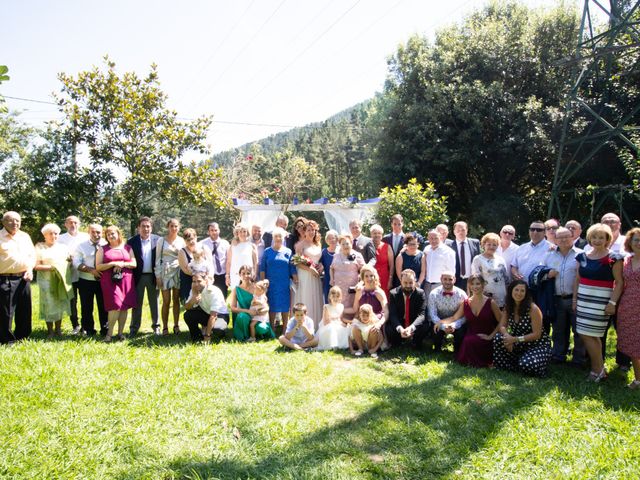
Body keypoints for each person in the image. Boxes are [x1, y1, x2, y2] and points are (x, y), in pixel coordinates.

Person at [574, 223, 623, 382]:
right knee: (585, 333)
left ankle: (597, 370)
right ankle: (600, 369)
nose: (597, 240)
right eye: (594, 237)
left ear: (607, 239)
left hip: (600, 302)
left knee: (591, 335)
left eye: (601, 237)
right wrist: (575, 299)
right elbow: (577, 279)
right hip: (583, 300)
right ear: (589, 237)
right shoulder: (582, 256)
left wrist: (612, 303)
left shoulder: (614, 258)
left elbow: (620, 282)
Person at [543, 227, 585, 365]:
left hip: (576, 298)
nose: (563, 239)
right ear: (555, 239)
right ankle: (558, 355)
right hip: (557, 299)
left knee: (578, 331)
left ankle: (579, 359)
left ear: (573, 237)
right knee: (558, 330)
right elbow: (539, 271)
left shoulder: (581, 254)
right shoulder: (549, 255)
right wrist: (547, 274)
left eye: (566, 236)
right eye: (560, 237)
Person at [439, 274, 501, 368]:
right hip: (471, 335)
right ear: (469, 286)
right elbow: (454, 318)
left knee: (471, 342)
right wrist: (440, 322)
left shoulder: (491, 302)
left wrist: (491, 336)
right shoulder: (466, 303)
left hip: (488, 336)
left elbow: (502, 321)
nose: (475, 287)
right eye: (472, 284)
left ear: (483, 285)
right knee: (468, 341)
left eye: (478, 284)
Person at [493, 280, 552, 377]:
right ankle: (511, 366)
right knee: (499, 338)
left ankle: (528, 364)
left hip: (536, 345)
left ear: (526, 293)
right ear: (511, 291)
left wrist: (514, 339)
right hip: (518, 344)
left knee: (527, 365)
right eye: (516, 290)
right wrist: (507, 335)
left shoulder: (533, 309)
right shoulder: (509, 306)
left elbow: (537, 335)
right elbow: (502, 326)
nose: (519, 293)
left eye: (522, 291)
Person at [96, 225, 137, 342]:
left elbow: (134, 263)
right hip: (110, 281)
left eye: (113, 233)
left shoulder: (127, 248)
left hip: (126, 280)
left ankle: (120, 333)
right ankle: (109, 335)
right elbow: (98, 266)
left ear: (118, 234)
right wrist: (113, 263)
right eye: (108, 234)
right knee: (115, 305)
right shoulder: (102, 249)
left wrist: (122, 264)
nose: (111, 236)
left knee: (124, 307)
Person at [0, 211, 36, 345]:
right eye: (11, 220)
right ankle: (6, 339)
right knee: (6, 311)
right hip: (5, 278)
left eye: (17, 221)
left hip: (23, 278)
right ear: (3, 222)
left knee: (25, 309)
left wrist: (30, 269)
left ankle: (23, 336)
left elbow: (32, 255)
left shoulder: (25, 236)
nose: (15, 223)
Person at [34, 224, 73, 338]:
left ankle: (58, 330)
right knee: (49, 304)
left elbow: (69, 263)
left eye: (55, 233)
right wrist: (53, 268)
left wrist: (69, 263)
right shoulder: (40, 247)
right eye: (50, 233)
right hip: (46, 281)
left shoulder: (63, 247)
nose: (53, 236)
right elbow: (36, 266)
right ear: (44, 235)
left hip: (61, 280)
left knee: (60, 303)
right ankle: (50, 331)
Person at [127, 216, 160, 336]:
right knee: (136, 303)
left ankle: (156, 327)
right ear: (138, 228)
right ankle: (134, 328)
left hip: (153, 276)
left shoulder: (158, 240)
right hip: (138, 277)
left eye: (148, 226)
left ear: (151, 228)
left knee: (154, 303)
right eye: (143, 226)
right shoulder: (131, 241)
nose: (146, 229)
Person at [260, 227, 297, 333]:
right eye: (276, 236)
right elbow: (263, 268)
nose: (278, 238)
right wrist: (263, 282)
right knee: (272, 306)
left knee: (285, 306)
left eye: (280, 236)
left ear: (283, 238)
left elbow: (292, 267)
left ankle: (285, 329)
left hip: (284, 283)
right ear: (273, 238)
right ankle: (272, 328)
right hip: (271, 283)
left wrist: (296, 278)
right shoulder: (267, 251)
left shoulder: (288, 251)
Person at [73, 223, 107, 337]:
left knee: (104, 306)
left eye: (98, 232)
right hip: (86, 281)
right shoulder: (81, 246)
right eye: (93, 232)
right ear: (88, 232)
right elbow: (76, 263)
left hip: (103, 281)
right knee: (86, 307)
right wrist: (91, 270)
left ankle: (105, 329)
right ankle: (88, 329)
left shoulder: (106, 245)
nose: (96, 234)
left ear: (102, 233)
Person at [616, 228, 640, 389]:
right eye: (636, 240)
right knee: (632, 343)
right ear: (630, 242)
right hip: (627, 307)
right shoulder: (626, 261)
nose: (639, 243)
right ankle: (638, 379)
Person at [58, 215, 89, 334]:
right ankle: (75, 325)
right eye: (70, 223)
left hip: (84, 274)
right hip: (69, 274)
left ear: (79, 224)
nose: (73, 225)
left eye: (75, 223)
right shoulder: (60, 238)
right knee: (72, 301)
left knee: (85, 301)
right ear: (65, 224)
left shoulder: (85, 237)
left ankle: (85, 326)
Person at [385, 269, 429, 349]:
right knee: (389, 327)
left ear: (415, 281)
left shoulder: (420, 293)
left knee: (425, 326)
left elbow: (422, 315)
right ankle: (398, 343)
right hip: (400, 322)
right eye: (405, 283)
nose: (408, 285)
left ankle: (416, 343)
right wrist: (400, 329)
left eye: (411, 282)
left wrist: (411, 328)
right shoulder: (393, 293)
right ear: (400, 281)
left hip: (413, 322)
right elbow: (393, 315)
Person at [155, 218, 185, 335]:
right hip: (165, 272)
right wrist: (158, 276)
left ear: (179, 227)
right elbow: (157, 259)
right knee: (166, 301)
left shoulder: (182, 241)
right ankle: (165, 327)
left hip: (177, 271)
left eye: (176, 226)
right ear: (168, 227)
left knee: (176, 300)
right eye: (171, 226)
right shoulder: (161, 241)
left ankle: (176, 326)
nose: (174, 228)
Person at [229, 265, 274, 341]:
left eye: (248, 273)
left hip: (257, 316)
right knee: (242, 316)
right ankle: (246, 336)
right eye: (243, 273)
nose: (246, 276)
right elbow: (232, 308)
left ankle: (256, 333)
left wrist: (262, 311)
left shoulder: (257, 287)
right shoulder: (236, 290)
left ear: (252, 275)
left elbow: (265, 304)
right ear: (239, 275)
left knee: (261, 329)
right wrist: (248, 311)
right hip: (245, 315)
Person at [293, 220, 324, 327]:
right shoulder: (300, 245)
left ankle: (316, 325)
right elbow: (296, 262)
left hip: (316, 276)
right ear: (304, 232)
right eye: (309, 230)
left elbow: (319, 260)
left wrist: (321, 266)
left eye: (313, 230)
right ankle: (304, 327)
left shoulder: (318, 244)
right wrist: (310, 269)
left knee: (316, 297)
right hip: (305, 275)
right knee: (307, 297)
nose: (311, 232)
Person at [430, 271, 468, 353]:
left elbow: (465, 316)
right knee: (435, 329)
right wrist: (443, 326)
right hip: (439, 321)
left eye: (450, 279)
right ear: (441, 279)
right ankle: (437, 350)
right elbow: (433, 315)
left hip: (456, 322)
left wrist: (454, 325)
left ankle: (457, 351)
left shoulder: (462, 294)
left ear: (454, 280)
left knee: (461, 333)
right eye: (445, 279)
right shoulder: (433, 294)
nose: (447, 282)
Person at [183, 273, 228, 343]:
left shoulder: (214, 291)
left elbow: (213, 315)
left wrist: (207, 336)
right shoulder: (193, 290)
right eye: (194, 282)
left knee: (218, 330)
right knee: (187, 315)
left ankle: (211, 331)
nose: (196, 284)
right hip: (207, 313)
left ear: (206, 281)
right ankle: (196, 337)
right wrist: (192, 301)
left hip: (220, 315)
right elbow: (186, 307)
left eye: (199, 281)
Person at [330, 234, 365, 318]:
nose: (345, 246)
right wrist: (331, 279)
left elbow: (364, 270)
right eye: (343, 244)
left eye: (347, 243)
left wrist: (360, 282)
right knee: (339, 306)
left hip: (352, 287)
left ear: (351, 243)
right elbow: (331, 268)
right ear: (340, 245)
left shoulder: (357, 255)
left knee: (353, 307)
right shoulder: (336, 256)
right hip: (339, 287)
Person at [471, 233, 509, 307]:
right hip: (485, 296)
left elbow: (506, 279)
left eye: (494, 245)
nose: (491, 247)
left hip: (501, 296)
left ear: (497, 246)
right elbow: (475, 279)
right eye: (489, 244)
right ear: (484, 245)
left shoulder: (501, 259)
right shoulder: (478, 259)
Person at [511, 220, 551, 285]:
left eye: (539, 230)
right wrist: (515, 274)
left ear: (545, 232)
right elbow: (514, 266)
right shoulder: (521, 248)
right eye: (532, 229)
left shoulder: (551, 249)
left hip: (540, 289)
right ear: (529, 231)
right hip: (522, 289)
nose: (535, 232)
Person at [445, 221, 480, 291]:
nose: (460, 232)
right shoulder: (448, 246)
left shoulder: (475, 243)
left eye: (463, 230)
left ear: (467, 231)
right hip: (456, 281)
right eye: (458, 230)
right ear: (454, 232)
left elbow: (478, 261)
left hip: (472, 280)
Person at [199, 222, 230, 300]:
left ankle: (221, 312)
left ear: (219, 230)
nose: (214, 232)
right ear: (208, 232)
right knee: (211, 298)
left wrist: (228, 275)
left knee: (223, 297)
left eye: (216, 230)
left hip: (223, 275)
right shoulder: (202, 244)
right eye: (211, 230)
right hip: (210, 275)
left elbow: (228, 260)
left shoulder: (225, 243)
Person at [421, 229, 456, 296]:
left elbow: (452, 271)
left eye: (436, 238)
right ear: (428, 238)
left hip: (441, 285)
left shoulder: (448, 251)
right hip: (427, 284)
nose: (433, 241)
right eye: (431, 238)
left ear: (440, 237)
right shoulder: (427, 249)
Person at [316, 286, 350, 351]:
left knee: (346, 329)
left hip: (337, 323)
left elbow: (340, 319)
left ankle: (343, 345)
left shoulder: (341, 306)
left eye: (337, 296)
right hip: (327, 325)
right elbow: (325, 321)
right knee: (332, 328)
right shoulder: (327, 307)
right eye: (333, 296)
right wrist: (336, 322)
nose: (335, 298)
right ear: (330, 297)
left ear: (340, 297)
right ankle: (332, 345)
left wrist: (345, 323)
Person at [226, 222, 258, 288]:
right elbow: (229, 262)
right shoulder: (232, 246)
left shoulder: (252, 246)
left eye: (244, 231)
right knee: (236, 295)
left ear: (247, 233)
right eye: (240, 231)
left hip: (248, 276)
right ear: (237, 233)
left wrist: (254, 272)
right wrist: (227, 276)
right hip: (235, 276)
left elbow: (255, 262)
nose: (243, 233)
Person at [178, 228, 203, 303]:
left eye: (192, 239)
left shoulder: (202, 249)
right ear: (185, 241)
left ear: (196, 237)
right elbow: (185, 269)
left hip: (201, 281)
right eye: (188, 240)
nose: (191, 242)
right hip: (187, 281)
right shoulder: (182, 252)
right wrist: (197, 274)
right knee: (189, 304)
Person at [370, 224, 393, 299]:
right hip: (370, 277)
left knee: (384, 298)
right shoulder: (368, 246)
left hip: (384, 278)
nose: (377, 235)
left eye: (379, 233)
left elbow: (392, 265)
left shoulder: (387, 247)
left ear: (382, 235)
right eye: (374, 233)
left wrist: (390, 279)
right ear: (371, 234)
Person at [319, 229, 339, 303]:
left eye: (333, 238)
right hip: (327, 279)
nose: (331, 240)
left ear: (336, 239)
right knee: (329, 300)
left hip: (339, 279)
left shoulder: (340, 250)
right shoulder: (323, 252)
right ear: (327, 240)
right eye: (329, 238)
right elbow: (319, 263)